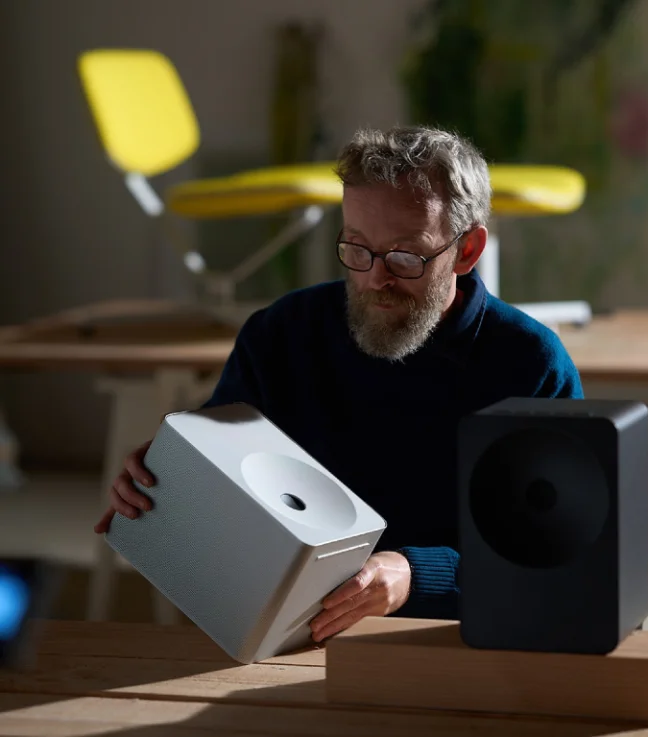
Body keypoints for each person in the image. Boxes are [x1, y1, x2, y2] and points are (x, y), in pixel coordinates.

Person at [94, 125, 583, 642]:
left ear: (467, 250)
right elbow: (227, 491)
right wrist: (173, 476)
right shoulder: (281, 336)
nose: (375, 279)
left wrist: (416, 577)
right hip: (296, 640)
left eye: (405, 256)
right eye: (356, 247)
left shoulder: (530, 365)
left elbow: (557, 561)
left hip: (460, 641)